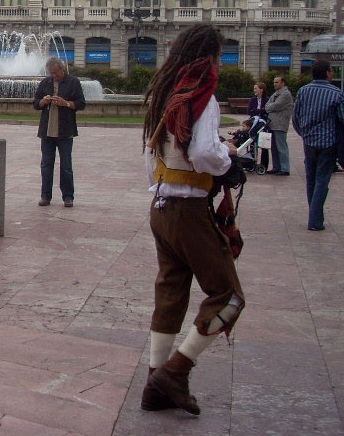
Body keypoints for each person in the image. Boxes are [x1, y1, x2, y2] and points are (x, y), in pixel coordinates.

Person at [140, 24, 242, 417]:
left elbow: (150, 157)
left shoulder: (163, 94)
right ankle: (176, 371)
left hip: (161, 206)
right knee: (228, 296)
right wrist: (227, 154)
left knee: (171, 293)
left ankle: (155, 383)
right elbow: (203, 153)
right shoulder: (203, 97)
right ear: (210, 57)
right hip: (189, 210)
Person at [292, 60, 344, 230]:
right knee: (322, 180)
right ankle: (315, 220)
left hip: (309, 141)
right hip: (328, 142)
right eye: (331, 71)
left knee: (311, 179)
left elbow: (296, 117)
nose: (332, 74)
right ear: (327, 73)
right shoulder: (336, 93)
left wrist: (303, 133)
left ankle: (315, 216)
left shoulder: (303, 91)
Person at [32, 57, 87, 207]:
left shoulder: (73, 82)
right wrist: (43, 102)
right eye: (51, 73)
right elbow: (35, 104)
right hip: (47, 131)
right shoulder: (45, 82)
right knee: (46, 165)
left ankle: (68, 196)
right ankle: (45, 196)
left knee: (66, 165)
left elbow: (82, 103)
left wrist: (67, 103)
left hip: (65, 131)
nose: (54, 75)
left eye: (56, 72)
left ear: (62, 69)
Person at [264, 75, 294, 175]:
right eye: (274, 82)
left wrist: (269, 108)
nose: (274, 84)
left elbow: (277, 106)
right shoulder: (276, 93)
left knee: (281, 147)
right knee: (274, 147)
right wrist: (270, 107)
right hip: (272, 124)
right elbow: (267, 105)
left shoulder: (286, 94)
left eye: (276, 82)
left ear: (282, 83)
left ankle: (285, 169)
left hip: (280, 124)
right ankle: (276, 167)